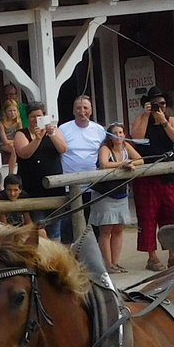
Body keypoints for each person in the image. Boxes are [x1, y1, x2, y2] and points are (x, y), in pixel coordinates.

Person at [130, 86, 174, 272]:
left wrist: (163, 122)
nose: (158, 107)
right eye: (154, 104)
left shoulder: (171, 119)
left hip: (167, 175)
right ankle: (152, 257)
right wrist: (146, 116)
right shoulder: (140, 119)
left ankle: (173, 254)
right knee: (148, 217)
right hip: (147, 176)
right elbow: (137, 138)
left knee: (173, 214)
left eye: (161, 104)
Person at [57, 94, 109, 240]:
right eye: (78, 108)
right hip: (70, 186)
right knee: (69, 229)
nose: (82, 111)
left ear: (91, 110)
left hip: (93, 186)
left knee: (94, 228)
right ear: (73, 111)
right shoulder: (63, 128)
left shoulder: (99, 130)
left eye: (85, 108)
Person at [92, 123, 142, 273]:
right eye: (115, 133)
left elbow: (140, 160)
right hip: (105, 194)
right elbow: (104, 163)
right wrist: (123, 164)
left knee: (119, 229)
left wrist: (130, 163)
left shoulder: (126, 147)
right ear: (110, 136)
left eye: (121, 132)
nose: (119, 135)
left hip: (121, 193)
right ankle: (108, 264)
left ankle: (116, 262)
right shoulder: (105, 148)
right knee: (106, 230)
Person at [14, 106, 66, 239]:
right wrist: (37, 139)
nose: (36, 120)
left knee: (55, 231)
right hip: (33, 188)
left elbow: (63, 148)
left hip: (54, 188)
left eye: (39, 116)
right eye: (33, 117)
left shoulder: (54, 131)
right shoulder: (22, 134)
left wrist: (51, 135)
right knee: (38, 229)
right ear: (28, 118)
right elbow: (24, 153)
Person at [0, 98, 26, 173]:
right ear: (5, 112)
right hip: (1, 144)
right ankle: (11, 172)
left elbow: (20, 136)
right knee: (13, 149)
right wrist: (15, 142)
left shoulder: (18, 122)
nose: (12, 113)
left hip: (13, 143)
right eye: (10, 111)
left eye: (14, 111)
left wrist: (17, 142)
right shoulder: (1, 123)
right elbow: (5, 141)